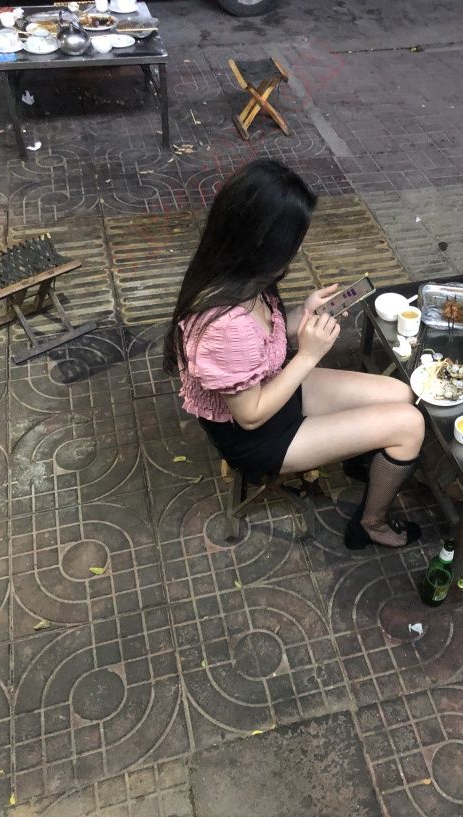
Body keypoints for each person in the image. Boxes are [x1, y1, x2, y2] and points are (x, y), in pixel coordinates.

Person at [163, 158, 426, 550]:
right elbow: (251, 415)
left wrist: (303, 314)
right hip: (258, 433)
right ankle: (370, 524)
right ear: (262, 243)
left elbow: (262, 335)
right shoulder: (223, 324)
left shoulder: (238, 276)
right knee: (410, 425)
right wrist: (308, 355)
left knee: (401, 393)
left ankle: (366, 458)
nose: (298, 248)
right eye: (293, 239)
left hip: (272, 387)